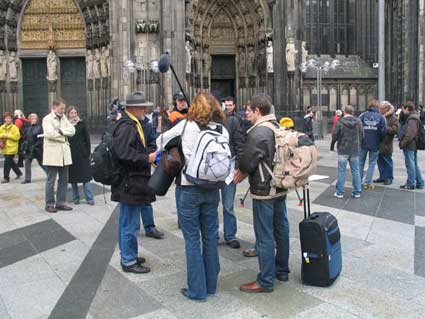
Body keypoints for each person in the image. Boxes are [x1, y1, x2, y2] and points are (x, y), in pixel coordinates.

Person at [157, 92, 228, 301]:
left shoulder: (186, 126)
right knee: (210, 237)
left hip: (188, 188)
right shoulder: (221, 129)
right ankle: (211, 285)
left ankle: (197, 290)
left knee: (192, 240)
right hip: (212, 189)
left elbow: (159, 141)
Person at [233, 95, 290, 293]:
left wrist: (240, 169)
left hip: (264, 189)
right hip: (280, 185)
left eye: (249, 110)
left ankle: (265, 281)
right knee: (281, 230)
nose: (246, 113)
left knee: (264, 235)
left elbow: (247, 162)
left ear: (258, 111)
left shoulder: (259, 132)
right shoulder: (277, 127)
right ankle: (282, 270)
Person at [111, 91, 157, 274]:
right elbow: (123, 153)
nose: (145, 109)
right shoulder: (128, 126)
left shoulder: (132, 123)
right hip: (130, 182)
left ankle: (128, 254)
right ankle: (129, 261)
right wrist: (146, 157)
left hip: (130, 181)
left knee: (127, 221)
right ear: (132, 108)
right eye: (142, 107)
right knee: (130, 223)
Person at [42, 100, 76, 213]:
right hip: (52, 154)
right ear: (54, 107)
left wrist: (61, 131)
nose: (63, 111)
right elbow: (50, 133)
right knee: (51, 180)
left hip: (64, 153)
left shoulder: (64, 118)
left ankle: (61, 202)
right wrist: (64, 135)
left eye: (64, 108)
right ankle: (49, 204)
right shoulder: (47, 119)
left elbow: (72, 130)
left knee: (64, 179)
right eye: (61, 108)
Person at [221, 96, 245, 249]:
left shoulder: (233, 121)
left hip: (229, 168)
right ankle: (211, 235)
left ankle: (230, 235)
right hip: (209, 172)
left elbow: (239, 144)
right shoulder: (206, 121)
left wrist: (238, 166)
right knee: (209, 206)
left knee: (228, 205)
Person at [140, 114, 164, 239]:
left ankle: (150, 227)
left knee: (146, 199)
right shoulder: (125, 125)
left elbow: (153, 143)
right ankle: (129, 229)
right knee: (128, 204)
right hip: (129, 170)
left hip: (144, 168)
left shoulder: (147, 125)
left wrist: (146, 154)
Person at [330, 105, 363, 198]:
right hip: (355, 149)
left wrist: (335, 143)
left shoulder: (340, 122)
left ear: (344, 112)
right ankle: (357, 191)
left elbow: (334, 135)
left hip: (343, 149)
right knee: (356, 170)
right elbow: (362, 135)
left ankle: (340, 192)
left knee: (341, 171)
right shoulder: (358, 122)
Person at [66, 106, 95, 206]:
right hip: (71, 154)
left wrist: (87, 153)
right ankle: (75, 198)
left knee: (86, 177)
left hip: (82, 154)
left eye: (75, 112)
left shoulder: (82, 124)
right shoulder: (66, 125)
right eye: (71, 113)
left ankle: (89, 198)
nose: (73, 115)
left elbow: (87, 139)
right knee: (73, 178)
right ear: (68, 114)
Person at [359, 99, 387, 190]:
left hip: (363, 143)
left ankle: (358, 182)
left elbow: (358, 128)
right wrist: (379, 140)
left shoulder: (363, 115)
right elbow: (383, 131)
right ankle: (367, 182)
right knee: (372, 163)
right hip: (375, 143)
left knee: (360, 163)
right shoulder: (381, 117)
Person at [399, 101, 424, 190]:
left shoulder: (412, 119)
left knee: (410, 164)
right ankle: (420, 182)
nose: (402, 111)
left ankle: (410, 183)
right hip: (412, 144)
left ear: (407, 109)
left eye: (403, 109)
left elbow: (409, 134)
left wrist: (403, 143)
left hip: (410, 144)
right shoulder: (413, 117)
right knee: (414, 163)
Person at [374, 101, 399, 185]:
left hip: (386, 143)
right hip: (378, 142)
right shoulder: (379, 116)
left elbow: (395, 130)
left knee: (387, 161)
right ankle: (382, 176)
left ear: (387, 108)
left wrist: (384, 128)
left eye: (381, 109)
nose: (380, 110)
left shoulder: (393, 117)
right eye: (379, 108)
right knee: (380, 161)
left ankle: (389, 177)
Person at [21, 113, 45, 184]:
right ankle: (27, 179)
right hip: (29, 148)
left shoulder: (40, 127)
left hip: (37, 148)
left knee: (41, 163)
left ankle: (49, 174)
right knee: (27, 163)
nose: (34, 119)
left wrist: (37, 145)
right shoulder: (27, 128)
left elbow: (41, 138)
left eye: (35, 118)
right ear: (29, 119)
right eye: (32, 118)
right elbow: (25, 138)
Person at [0, 112, 22, 183]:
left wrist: (8, 136)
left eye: (9, 118)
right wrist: (3, 135)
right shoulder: (1, 127)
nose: (8, 120)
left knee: (7, 162)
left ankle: (6, 177)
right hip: (4, 147)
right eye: (6, 118)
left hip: (12, 148)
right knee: (10, 162)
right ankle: (18, 173)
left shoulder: (14, 128)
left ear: (11, 119)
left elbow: (17, 137)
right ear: (4, 119)